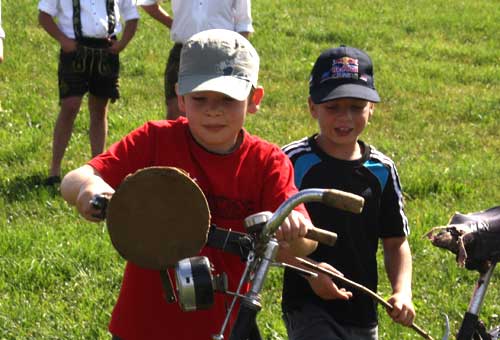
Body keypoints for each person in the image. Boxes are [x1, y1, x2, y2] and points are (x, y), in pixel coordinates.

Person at [60, 29, 317, 340]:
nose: (213, 109)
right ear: (180, 97)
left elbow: (305, 243)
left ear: (254, 99)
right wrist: (90, 189)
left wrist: (293, 230)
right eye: (200, 98)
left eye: (228, 99)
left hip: (226, 326)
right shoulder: (155, 140)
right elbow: (74, 179)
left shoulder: (266, 161)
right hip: (144, 325)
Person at [281, 46, 415, 340]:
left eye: (356, 106)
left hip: (363, 309)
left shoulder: (381, 169)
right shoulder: (292, 160)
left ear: (372, 109)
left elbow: (395, 243)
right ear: (312, 107)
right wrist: (310, 271)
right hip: (307, 305)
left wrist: (402, 291)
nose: (345, 117)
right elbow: (272, 237)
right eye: (333, 107)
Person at [38, 0, 139, 185]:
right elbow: (44, 15)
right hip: (74, 50)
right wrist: (63, 41)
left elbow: (132, 16)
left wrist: (122, 43)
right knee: (70, 106)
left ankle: (97, 168)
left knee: (99, 109)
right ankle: (54, 170)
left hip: (106, 51)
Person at [136, 0, 254, 120]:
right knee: (176, 110)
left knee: (218, 110)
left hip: (222, 54)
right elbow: (148, 4)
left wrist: (235, 56)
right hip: (184, 50)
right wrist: (176, 25)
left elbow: (243, 24)